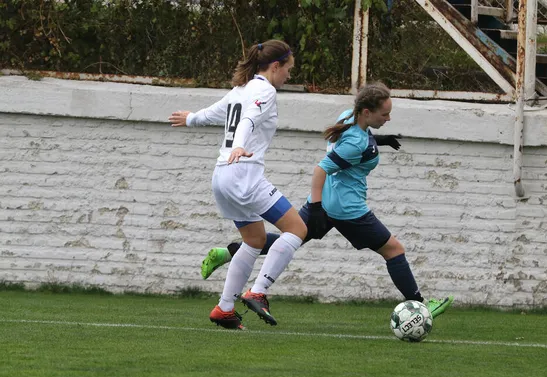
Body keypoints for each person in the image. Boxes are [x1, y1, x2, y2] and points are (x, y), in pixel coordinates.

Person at [198, 82, 454, 319]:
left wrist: (376, 140)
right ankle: (419, 305)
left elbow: (353, 140)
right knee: (394, 250)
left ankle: (229, 251)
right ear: (367, 112)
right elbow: (322, 169)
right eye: (384, 114)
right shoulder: (356, 143)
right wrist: (319, 208)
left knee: (293, 238)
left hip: (324, 201)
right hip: (346, 209)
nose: (388, 118)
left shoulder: (347, 117)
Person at [169, 40, 307, 330]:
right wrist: (241, 146)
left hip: (222, 175)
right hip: (243, 173)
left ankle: (224, 309)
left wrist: (190, 118)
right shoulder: (264, 91)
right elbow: (249, 120)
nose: (289, 76)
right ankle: (258, 291)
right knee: (297, 229)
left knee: (255, 240)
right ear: (275, 66)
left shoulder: (240, 90)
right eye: (289, 70)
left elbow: (214, 113)